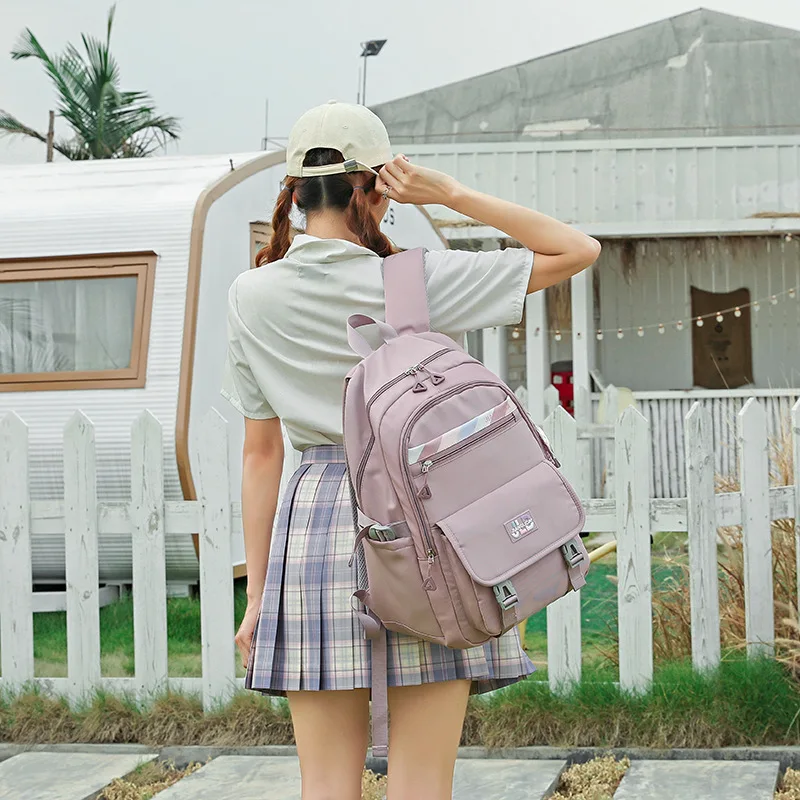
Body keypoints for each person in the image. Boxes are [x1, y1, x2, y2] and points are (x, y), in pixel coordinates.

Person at [223, 100, 600, 800]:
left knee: (325, 786)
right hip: (421, 519)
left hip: (311, 529)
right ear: (375, 189)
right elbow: (576, 250)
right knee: (422, 785)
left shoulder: (250, 295)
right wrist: (449, 194)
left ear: (295, 192)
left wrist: (257, 594)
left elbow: (260, 455)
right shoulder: (410, 281)